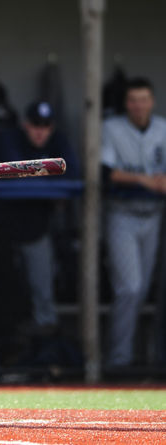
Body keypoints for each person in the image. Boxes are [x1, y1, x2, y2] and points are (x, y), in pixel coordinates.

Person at [0, 101, 80, 335]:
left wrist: (36, 179)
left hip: (36, 227)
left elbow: (73, 174)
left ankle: (42, 347)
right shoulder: (10, 138)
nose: (40, 131)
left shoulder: (58, 140)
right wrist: (49, 179)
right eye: (35, 125)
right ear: (26, 124)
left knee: (42, 290)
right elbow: (15, 173)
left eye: (45, 126)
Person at [101, 77, 166, 367]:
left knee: (144, 289)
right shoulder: (111, 128)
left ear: (152, 101)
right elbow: (105, 172)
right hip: (122, 213)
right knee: (129, 287)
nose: (138, 106)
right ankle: (118, 361)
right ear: (126, 103)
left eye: (143, 99)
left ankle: (145, 358)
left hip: (154, 216)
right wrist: (145, 180)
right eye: (133, 100)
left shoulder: (163, 129)